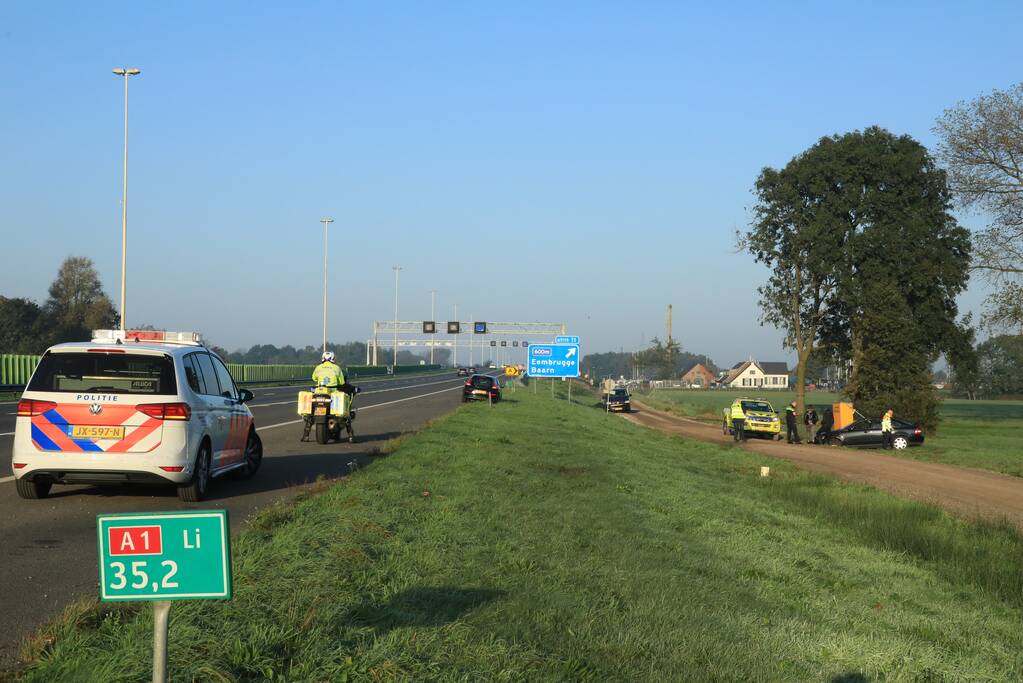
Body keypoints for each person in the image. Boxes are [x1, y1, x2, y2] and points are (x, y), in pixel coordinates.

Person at [301, 351, 346, 442]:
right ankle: (350, 434)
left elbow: (314, 378)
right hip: (332, 394)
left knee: (310, 415)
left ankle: (306, 436)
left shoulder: (318, 367)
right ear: (333, 359)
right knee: (341, 414)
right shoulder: (337, 368)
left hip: (319, 393)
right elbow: (342, 382)